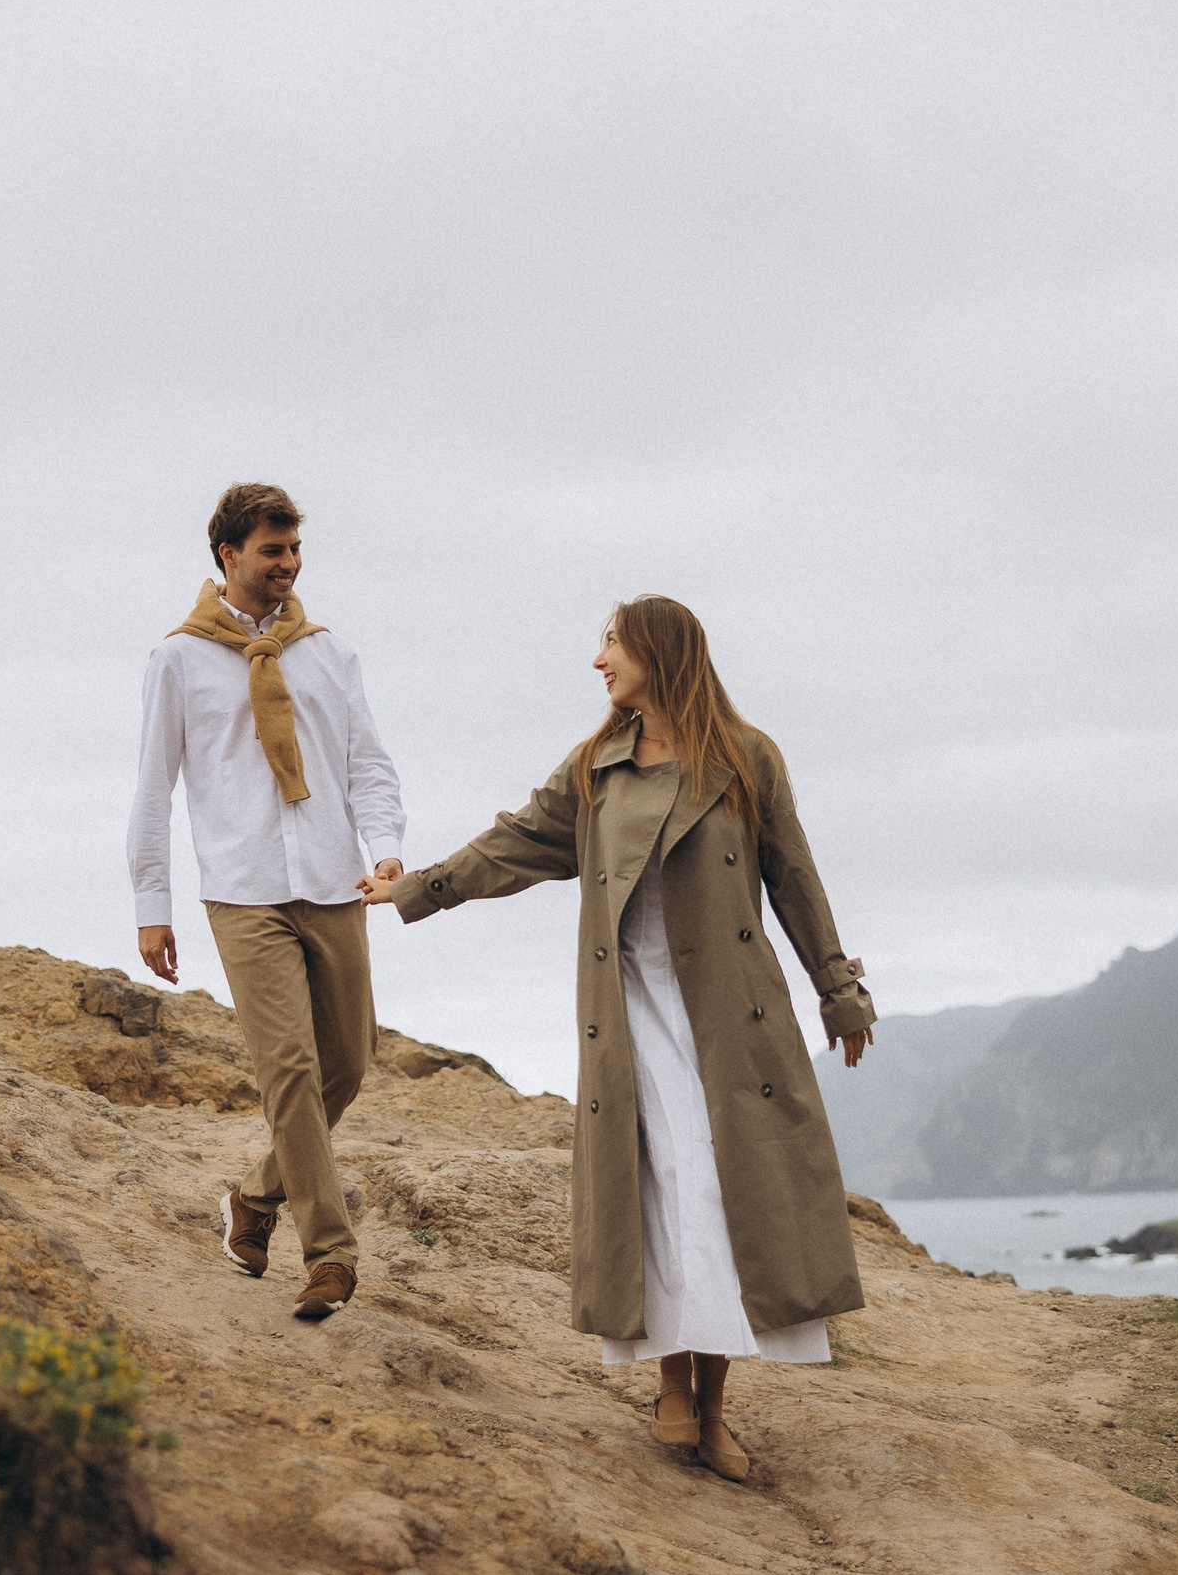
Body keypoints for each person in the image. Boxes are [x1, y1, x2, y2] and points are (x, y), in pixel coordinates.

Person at [362, 594, 873, 1481]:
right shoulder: (597, 766)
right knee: (665, 1195)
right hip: (632, 1011)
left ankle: (713, 1408)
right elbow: (515, 843)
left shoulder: (748, 759)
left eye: (610, 642)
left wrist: (842, 994)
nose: (598, 660)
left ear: (657, 651)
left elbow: (797, 881)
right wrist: (419, 889)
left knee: (721, 1202)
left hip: (730, 1019)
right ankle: (675, 1388)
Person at [130, 483, 404, 1320]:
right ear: (228, 555)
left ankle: (254, 1198)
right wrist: (153, 901)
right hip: (242, 889)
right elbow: (153, 789)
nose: (286, 566)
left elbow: (366, 763)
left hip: (332, 879)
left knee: (346, 1064)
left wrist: (387, 849)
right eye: (270, 551)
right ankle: (330, 1255)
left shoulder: (328, 653)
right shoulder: (177, 659)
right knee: (288, 1068)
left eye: (293, 552)